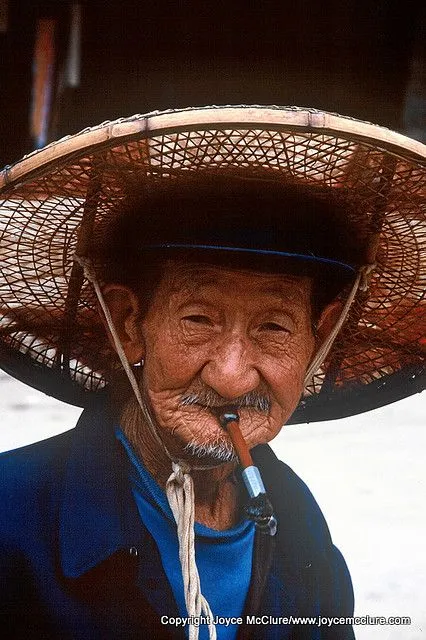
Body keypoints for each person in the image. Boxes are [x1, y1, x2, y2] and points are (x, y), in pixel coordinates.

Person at [0, 106, 424, 640]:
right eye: (198, 320)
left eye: (274, 327)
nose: (231, 377)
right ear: (130, 324)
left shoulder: (297, 525)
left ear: (319, 339)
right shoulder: (11, 512)